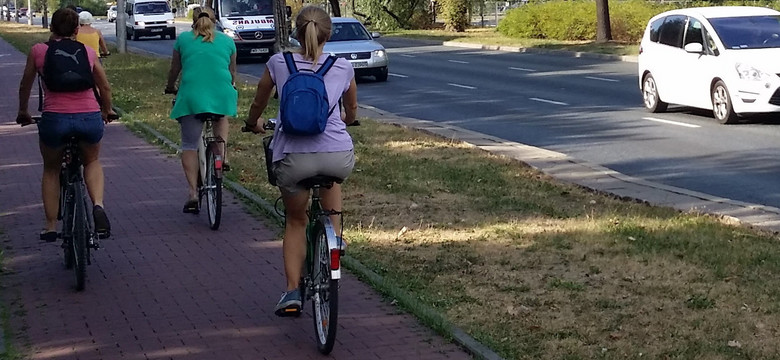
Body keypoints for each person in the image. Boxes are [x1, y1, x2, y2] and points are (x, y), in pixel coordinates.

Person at [243, 5, 358, 316]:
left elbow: (260, 99)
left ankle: (293, 291)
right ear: (328, 34)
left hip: (294, 158)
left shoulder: (280, 62)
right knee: (331, 177)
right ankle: (336, 240)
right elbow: (352, 108)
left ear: (295, 31)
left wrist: (253, 122)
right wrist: (348, 120)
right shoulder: (342, 66)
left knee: (296, 221)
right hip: (337, 155)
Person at [16, 7, 117, 241]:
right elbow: (105, 87)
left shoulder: (39, 51)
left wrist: (23, 111)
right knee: (91, 161)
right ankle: (98, 206)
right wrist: (107, 110)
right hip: (89, 118)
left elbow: (25, 85)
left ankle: (51, 226)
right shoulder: (87, 52)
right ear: (76, 29)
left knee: (51, 169)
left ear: (51, 27)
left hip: (55, 120)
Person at [165, 7, 237, 214]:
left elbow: (175, 69)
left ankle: (192, 193)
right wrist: (229, 84)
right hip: (221, 94)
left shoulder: (183, 40)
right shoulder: (227, 41)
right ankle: (222, 155)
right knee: (221, 115)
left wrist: (170, 86)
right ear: (215, 21)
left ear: (193, 21)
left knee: (189, 144)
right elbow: (232, 72)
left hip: (192, 96)